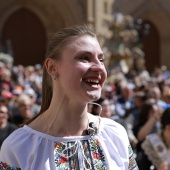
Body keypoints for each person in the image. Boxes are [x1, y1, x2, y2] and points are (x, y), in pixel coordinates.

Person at [0, 25, 138, 169]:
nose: (99, 67)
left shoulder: (114, 134)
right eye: (84, 58)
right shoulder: (20, 146)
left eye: (101, 60)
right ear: (52, 67)